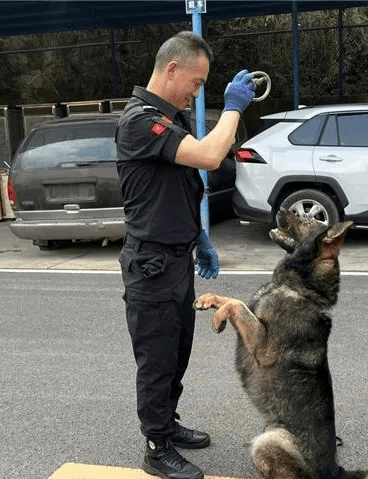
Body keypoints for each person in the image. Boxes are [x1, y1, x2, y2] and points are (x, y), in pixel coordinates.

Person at [115, 31, 256, 479]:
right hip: (151, 263)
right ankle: (157, 447)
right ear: (171, 69)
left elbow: (178, 189)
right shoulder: (141, 121)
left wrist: (199, 238)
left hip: (175, 258)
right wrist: (232, 107)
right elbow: (211, 157)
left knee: (177, 352)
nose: (198, 90)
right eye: (196, 82)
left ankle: (167, 424)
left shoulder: (168, 119)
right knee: (157, 358)